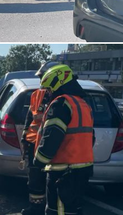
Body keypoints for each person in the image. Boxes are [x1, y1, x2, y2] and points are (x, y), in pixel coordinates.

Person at [33, 65, 94, 215]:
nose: (48, 93)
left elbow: (52, 137)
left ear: (57, 84)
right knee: (73, 210)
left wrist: (38, 162)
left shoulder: (61, 104)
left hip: (63, 173)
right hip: (82, 171)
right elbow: (90, 138)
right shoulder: (82, 104)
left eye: (49, 89)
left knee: (57, 211)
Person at [20, 61, 60, 215]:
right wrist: (24, 138)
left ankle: (49, 210)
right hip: (33, 145)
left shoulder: (61, 97)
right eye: (41, 77)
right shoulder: (36, 95)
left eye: (44, 77)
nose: (41, 80)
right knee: (35, 181)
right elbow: (29, 118)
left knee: (52, 183)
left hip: (52, 147)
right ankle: (35, 209)